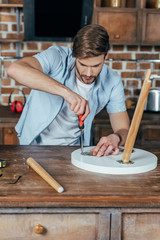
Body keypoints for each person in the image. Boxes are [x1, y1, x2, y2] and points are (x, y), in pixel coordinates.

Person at [7, 24, 129, 157]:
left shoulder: (113, 81)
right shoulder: (57, 56)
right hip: (32, 146)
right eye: (82, 64)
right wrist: (68, 93)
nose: (88, 73)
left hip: (74, 151)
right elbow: (15, 69)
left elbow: (123, 129)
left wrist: (116, 138)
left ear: (106, 56)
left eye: (95, 65)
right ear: (74, 54)